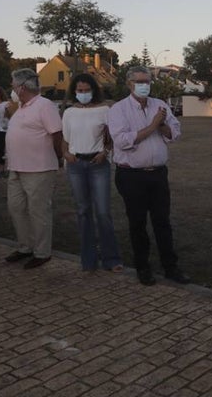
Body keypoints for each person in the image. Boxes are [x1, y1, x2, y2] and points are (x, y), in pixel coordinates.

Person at [108, 67, 189, 285]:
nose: (145, 85)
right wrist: (152, 125)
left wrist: (161, 124)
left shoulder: (160, 105)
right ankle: (143, 267)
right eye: (139, 81)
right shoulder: (119, 109)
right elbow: (123, 141)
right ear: (129, 84)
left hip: (158, 175)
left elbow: (175, 133)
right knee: (137, 223)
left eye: (147, 81)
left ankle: (170, 266)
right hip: (131, 175)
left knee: (162, 221)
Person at [62, 73, 122, 272]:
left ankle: (111, 258)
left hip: (98, 164)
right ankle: (88, 258)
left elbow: (112, 136)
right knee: (83, 211)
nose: (84, 93)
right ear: (74, 91)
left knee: (103, 212)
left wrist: (105, 152)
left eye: (87, 90)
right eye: (80, 91)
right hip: (76, 165)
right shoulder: (69, 112)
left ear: (94, 90)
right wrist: (65, 153)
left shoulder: (105, 110)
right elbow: (65, 139)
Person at [4, 68, 63, 270]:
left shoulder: (44, 105)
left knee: (38, 212)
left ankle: (42, 252)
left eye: (13, 84)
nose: (11, 88)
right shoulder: (21, 107)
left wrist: (59, 158)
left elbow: (56, 134)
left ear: (21, 87)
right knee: (16, 208)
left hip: (39, 169)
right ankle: (25, 246)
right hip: (16, 168)